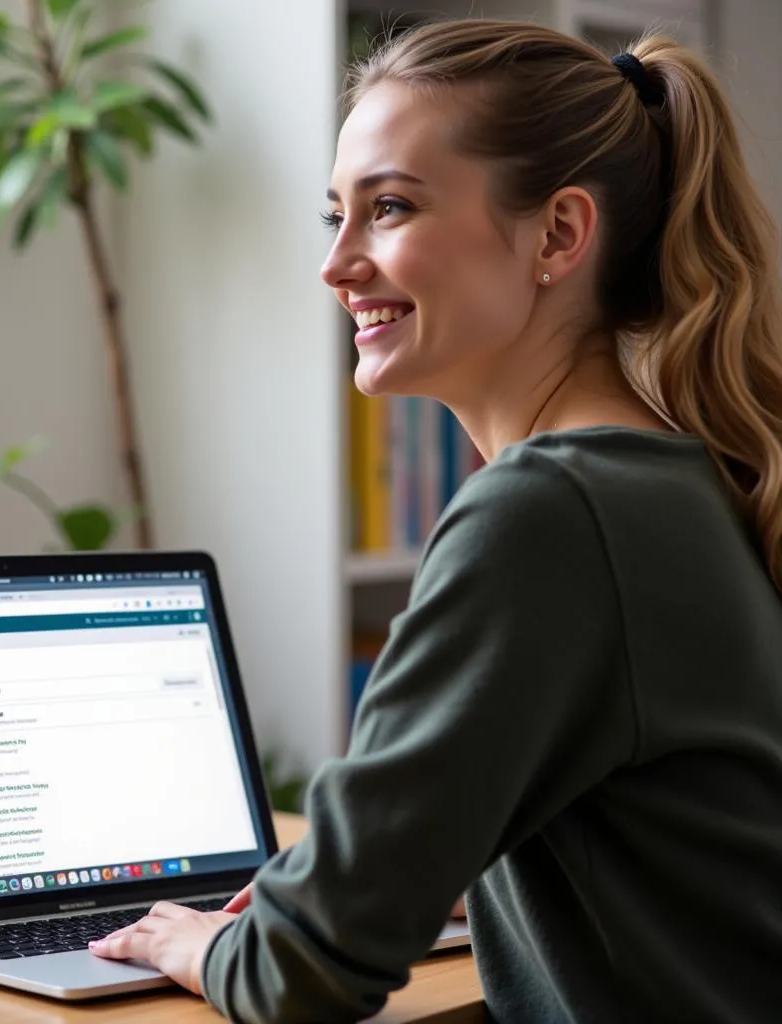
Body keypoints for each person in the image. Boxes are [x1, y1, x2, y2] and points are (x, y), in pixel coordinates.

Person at [91, 18, 782, 1022]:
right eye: (333, 214)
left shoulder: (549, 512)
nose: (335, 264)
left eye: (390, 208)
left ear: (557, 234)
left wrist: (206, 942)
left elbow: (301, 971)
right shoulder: (680, 473)